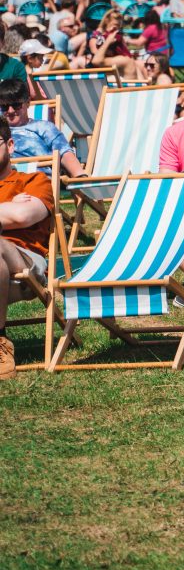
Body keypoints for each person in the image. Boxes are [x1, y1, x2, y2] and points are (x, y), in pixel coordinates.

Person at [0, 115, 55, 378]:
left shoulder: (34, 181)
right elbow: (11, 215)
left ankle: (0, 342)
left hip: (26, 261)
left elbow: (22, 217)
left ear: (10, 145)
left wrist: (11, 214)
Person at [0, 80, 85, 176]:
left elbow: (64, 153)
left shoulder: (43, 127)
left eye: (16, 105)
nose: (10, 111)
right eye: (4, 106)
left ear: (28, 102)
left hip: (37, 180)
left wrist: (80, 175)